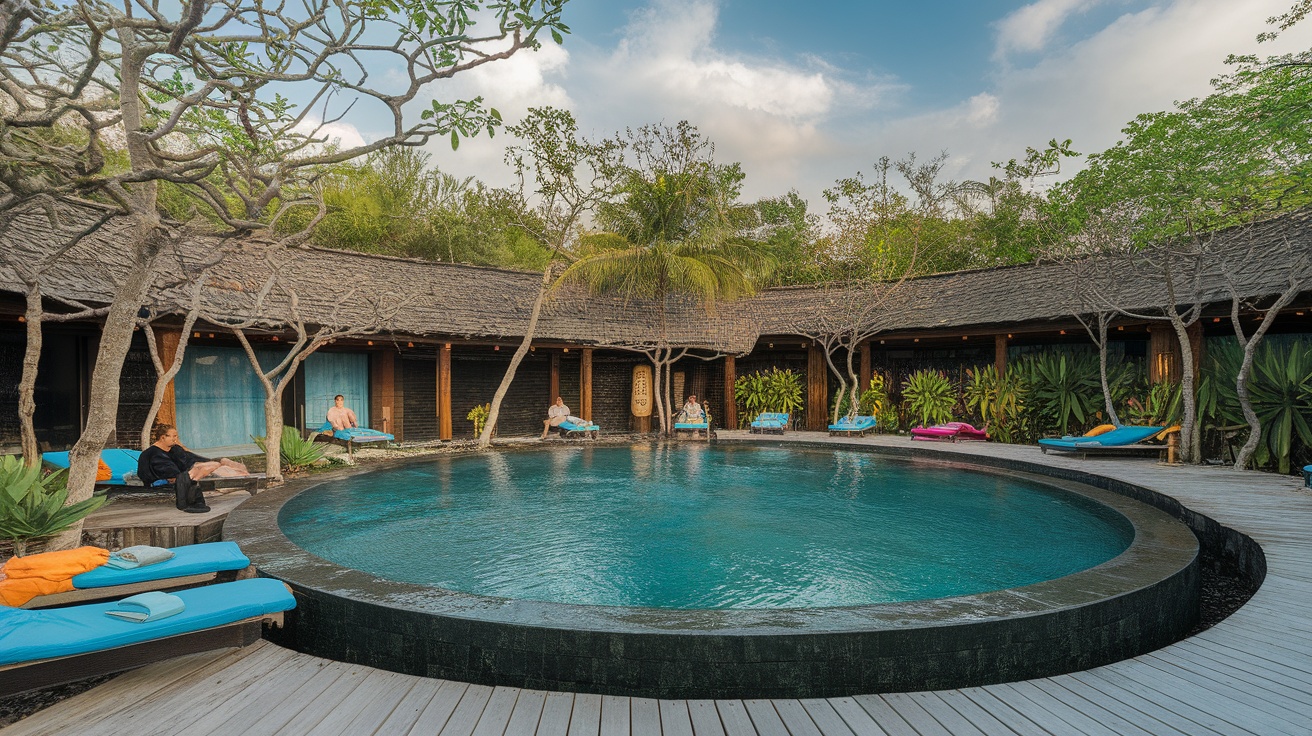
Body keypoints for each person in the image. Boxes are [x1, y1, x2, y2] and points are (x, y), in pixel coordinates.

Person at [138, 425, 250, 513]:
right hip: (160, 481)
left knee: (222, 463)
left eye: (176, 436)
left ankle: (230, 469)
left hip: (183, 474)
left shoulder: (173, 449)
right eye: (173, 436)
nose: (176, 439)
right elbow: (170, 472)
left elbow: (189, 457)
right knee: (212, 466)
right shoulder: (153, 454)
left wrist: (211, 462)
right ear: (163, 437)